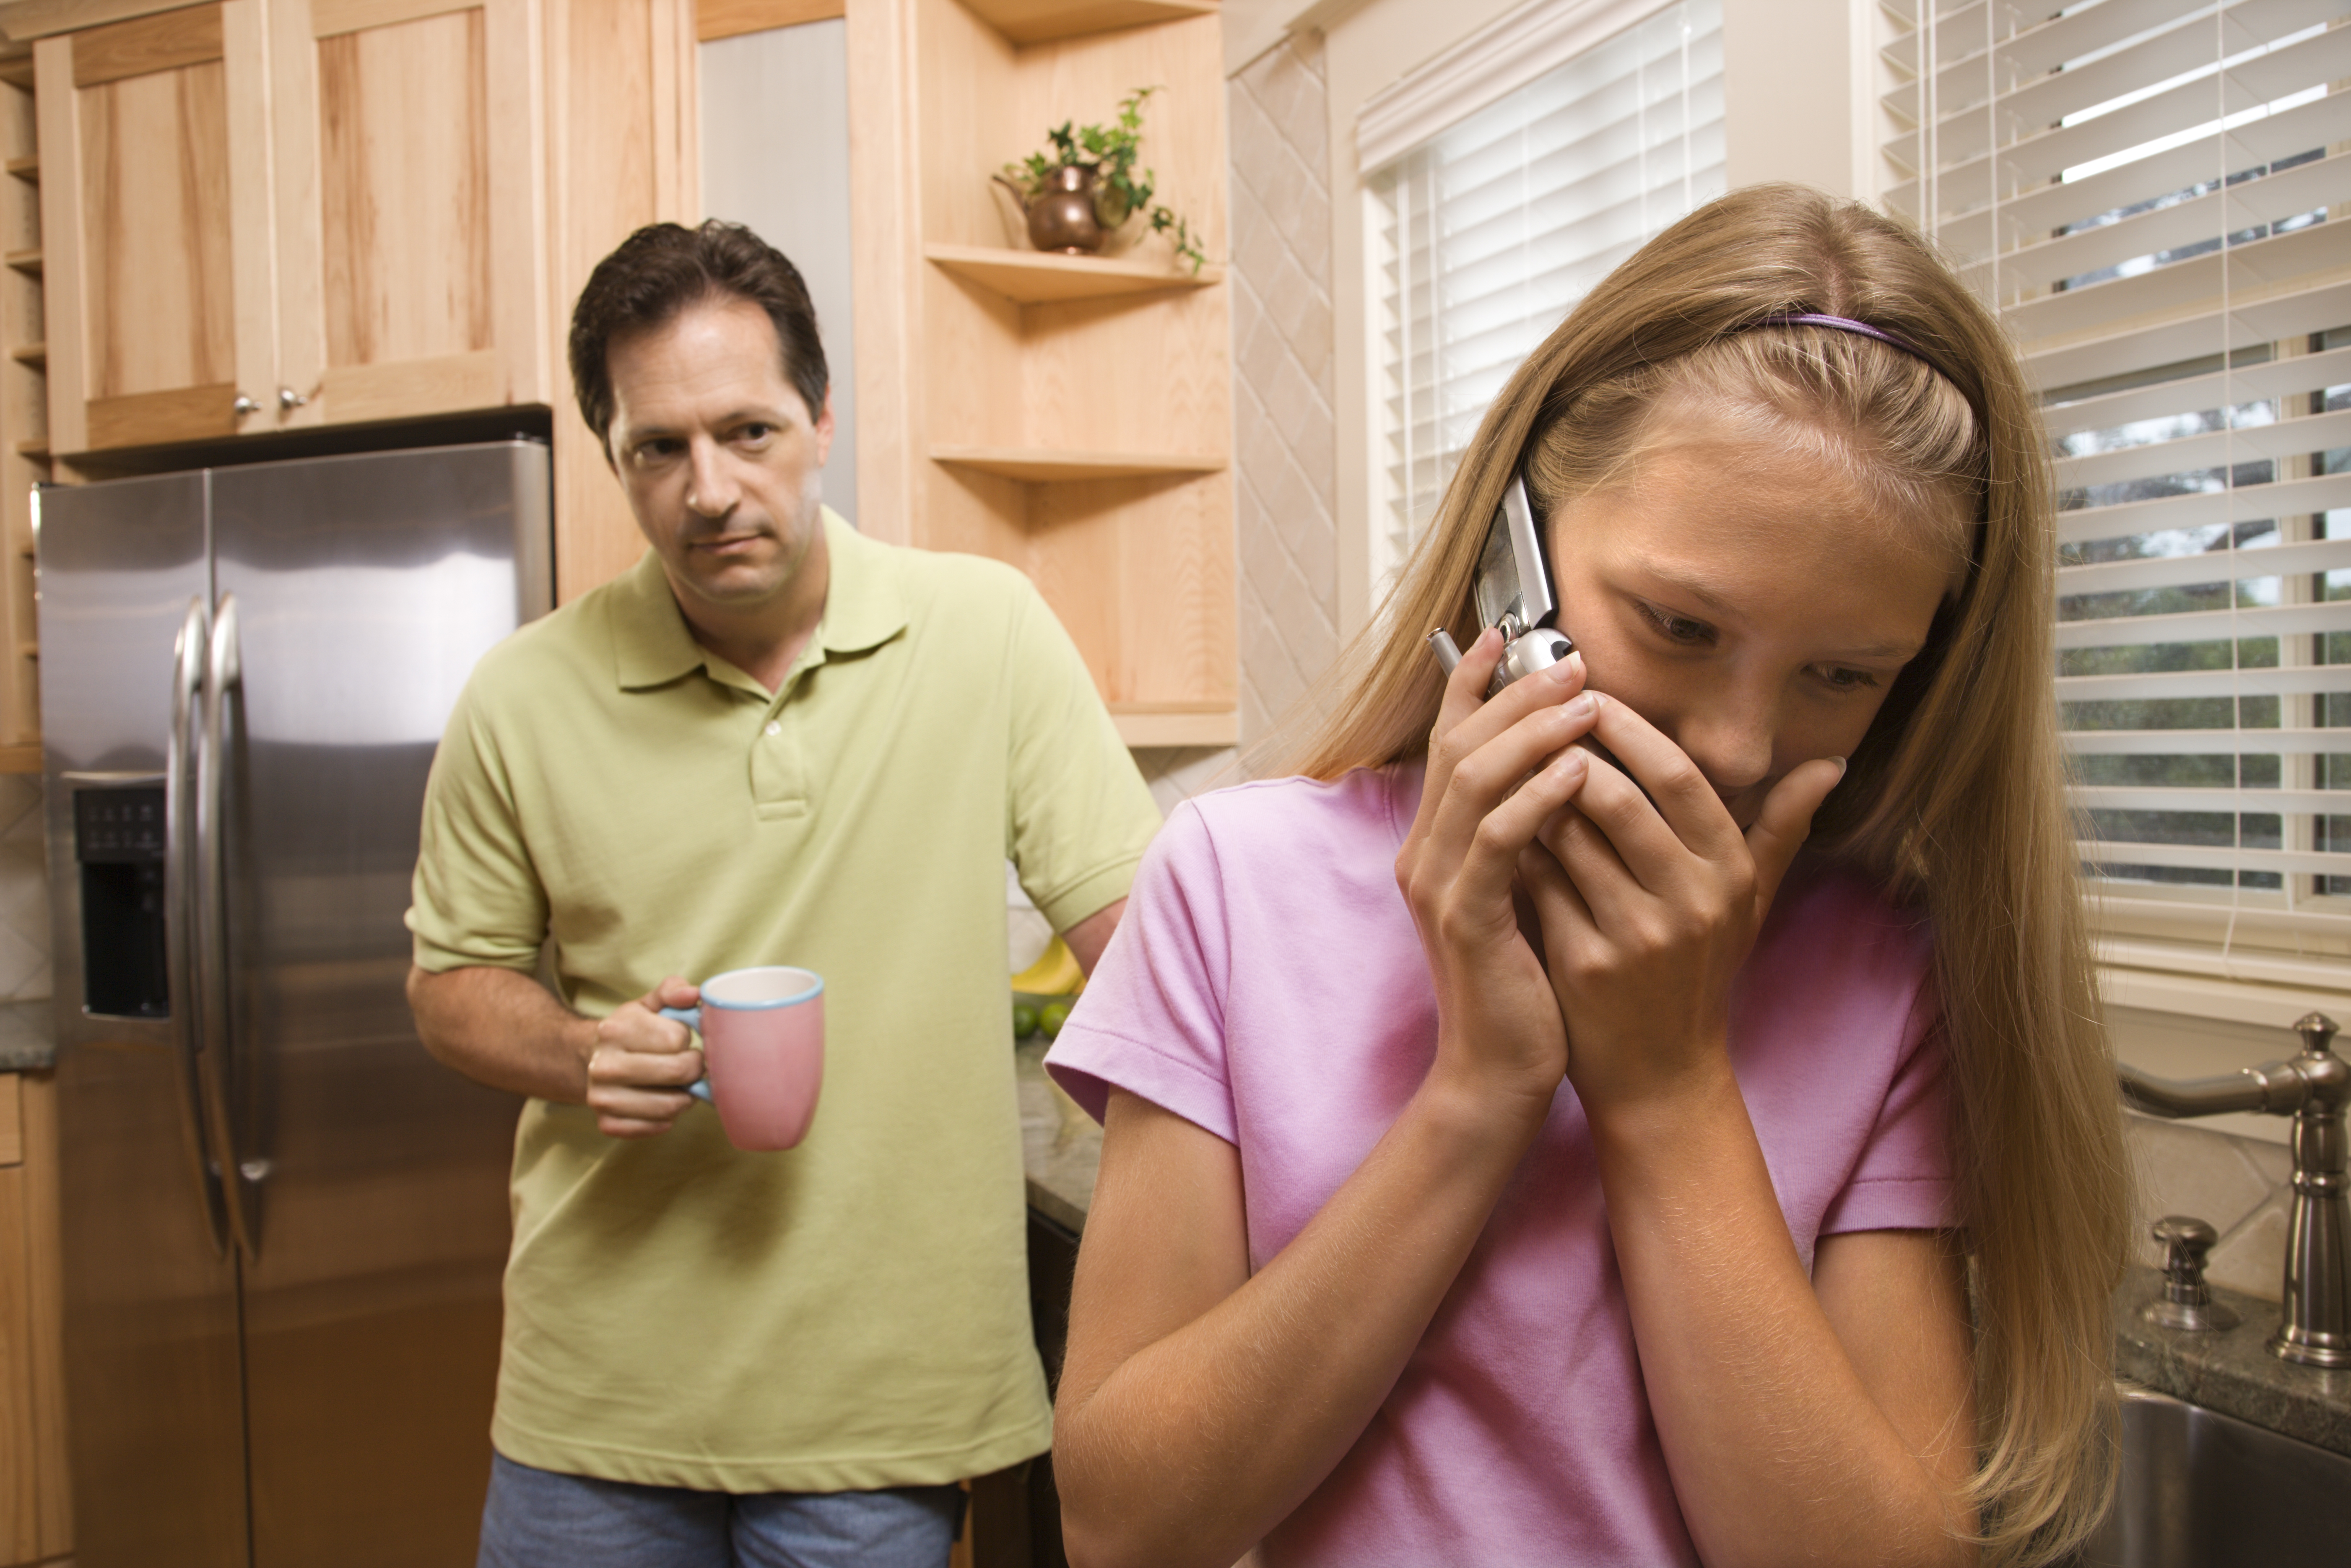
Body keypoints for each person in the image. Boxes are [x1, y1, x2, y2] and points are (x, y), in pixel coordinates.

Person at [1043, 185, 2130, 1568]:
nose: (1735, 747)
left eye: (1842, 675)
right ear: (1519, 555)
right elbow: (1124, 1526)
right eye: (1678, 624)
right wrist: (1480, 1092)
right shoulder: (1234, 883)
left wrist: (1666, 1081)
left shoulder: (1881, 972)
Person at [405, 219, 1163, 1568]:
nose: (709, 488)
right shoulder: (521, 695)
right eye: (659, 447)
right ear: (616, 460)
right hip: (597, 1408)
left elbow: (1150, 952)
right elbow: (449, 988)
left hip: (886, 1409)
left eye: (747, 431)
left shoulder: (986, 632)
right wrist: (581, 1052)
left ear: (820, 418)